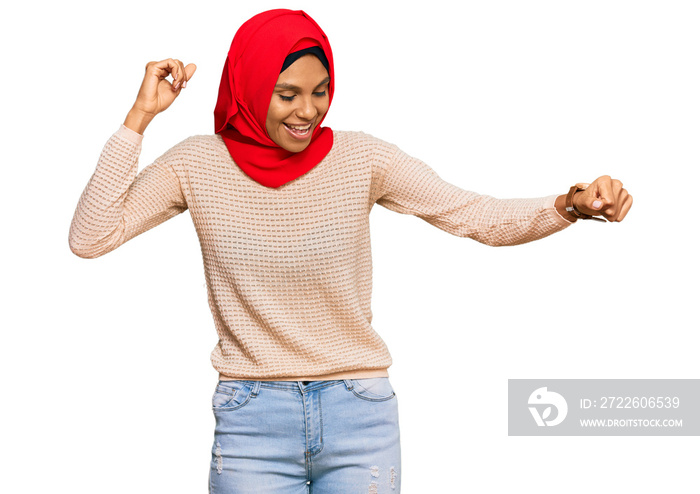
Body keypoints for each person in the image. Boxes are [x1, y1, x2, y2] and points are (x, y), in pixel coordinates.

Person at [68, 8, 632, 494]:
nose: (307, 111)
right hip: (251, 420)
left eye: (320, 91)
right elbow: (90, 237)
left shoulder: (362, 159)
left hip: (358, 413)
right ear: (248, 85)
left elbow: (474, 215)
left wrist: (572, 203)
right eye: (286, 94)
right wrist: (139, 118)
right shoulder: (195, 164)